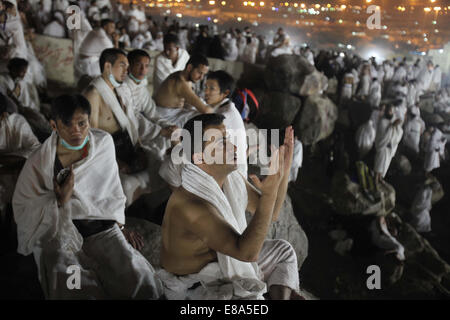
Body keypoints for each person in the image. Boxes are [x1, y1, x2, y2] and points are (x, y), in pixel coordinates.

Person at [12, 94, 163, 299]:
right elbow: (24, 206)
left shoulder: (102, 144)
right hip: (61, 231)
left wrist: (119, 225)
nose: (76, 131)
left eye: (82, 123)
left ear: (89, 121)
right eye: (67, 124)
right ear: (54, 125)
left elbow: (110, 191)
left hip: (100, 226)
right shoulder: (40, 161)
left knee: (137, 280)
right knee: (75, 286)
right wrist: (61, 201)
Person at [159, 114, 301, 300]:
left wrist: (284, 169)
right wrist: (269, 194)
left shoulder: (230, 180)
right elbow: (247, 253)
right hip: (197, 287)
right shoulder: (190, 204)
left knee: (283, 250)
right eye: (221, 143)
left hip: (226, 263)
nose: (234, 147)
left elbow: (272, 212)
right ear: (200, 157)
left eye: (227, 140)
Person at [83, 48, 155, 204]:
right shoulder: (93, 94)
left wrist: (139, 147)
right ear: (108, 66)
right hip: (110, 152)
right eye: (122, 65)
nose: (126, 70)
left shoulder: (118, 91)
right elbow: (92, 138)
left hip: (126, 146)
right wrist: (116, 161)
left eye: (127, 66)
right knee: (127, 185)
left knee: (159, 160)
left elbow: (130, 124)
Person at [124, 49, 178, 160]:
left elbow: (152, 112)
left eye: (146, 66)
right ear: (129, 66)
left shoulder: (141, 87)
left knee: (171, 138)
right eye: (139, 65)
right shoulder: (123, 87)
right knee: (157, 155)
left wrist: (167, 125)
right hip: (130, 133)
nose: (143, 70)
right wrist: (160, 131)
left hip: (147, 130)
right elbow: (132, 116)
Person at [153, 53, 213, 128]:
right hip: (165, 116)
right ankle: (192, 139)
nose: (201, 78)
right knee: (203, 117)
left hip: (175, 112)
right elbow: (205, 110)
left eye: (204, 74)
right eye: (199, 73)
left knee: (197, 112)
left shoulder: (183, 77)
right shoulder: (181, 83)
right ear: (189, 67)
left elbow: (192, 101)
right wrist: (217, 109)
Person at [374, 104, 403, 184]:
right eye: (390, 111)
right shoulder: (382, 122)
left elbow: (397, 134)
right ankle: (375, 179)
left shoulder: (391, 122)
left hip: (389, 148)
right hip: (383, 147)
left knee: (385, 165)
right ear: (386, 112)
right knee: (379, 165)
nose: (391, 113)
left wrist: (397, 126)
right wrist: (392, 126)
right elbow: (383, 136)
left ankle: (380, 178)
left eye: (392, 111)